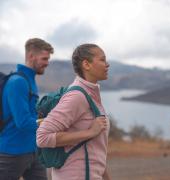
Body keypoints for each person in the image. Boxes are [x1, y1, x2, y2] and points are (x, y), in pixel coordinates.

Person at [36, 43, 111, 180]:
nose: (107, 64)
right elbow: (42, 137)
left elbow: (95, 148)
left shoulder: (90, 94)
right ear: (86, 65)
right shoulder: (77, 96)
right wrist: (90, 132)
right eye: (102, 59)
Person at [0, 38, 54, 180]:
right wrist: (52, 123)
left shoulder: (29, 80)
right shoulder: (17, 82)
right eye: (44, 58)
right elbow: (23, 122)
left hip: (33, 151)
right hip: (11, 153)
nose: (47, 63)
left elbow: (32, 115)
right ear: (31, 56)